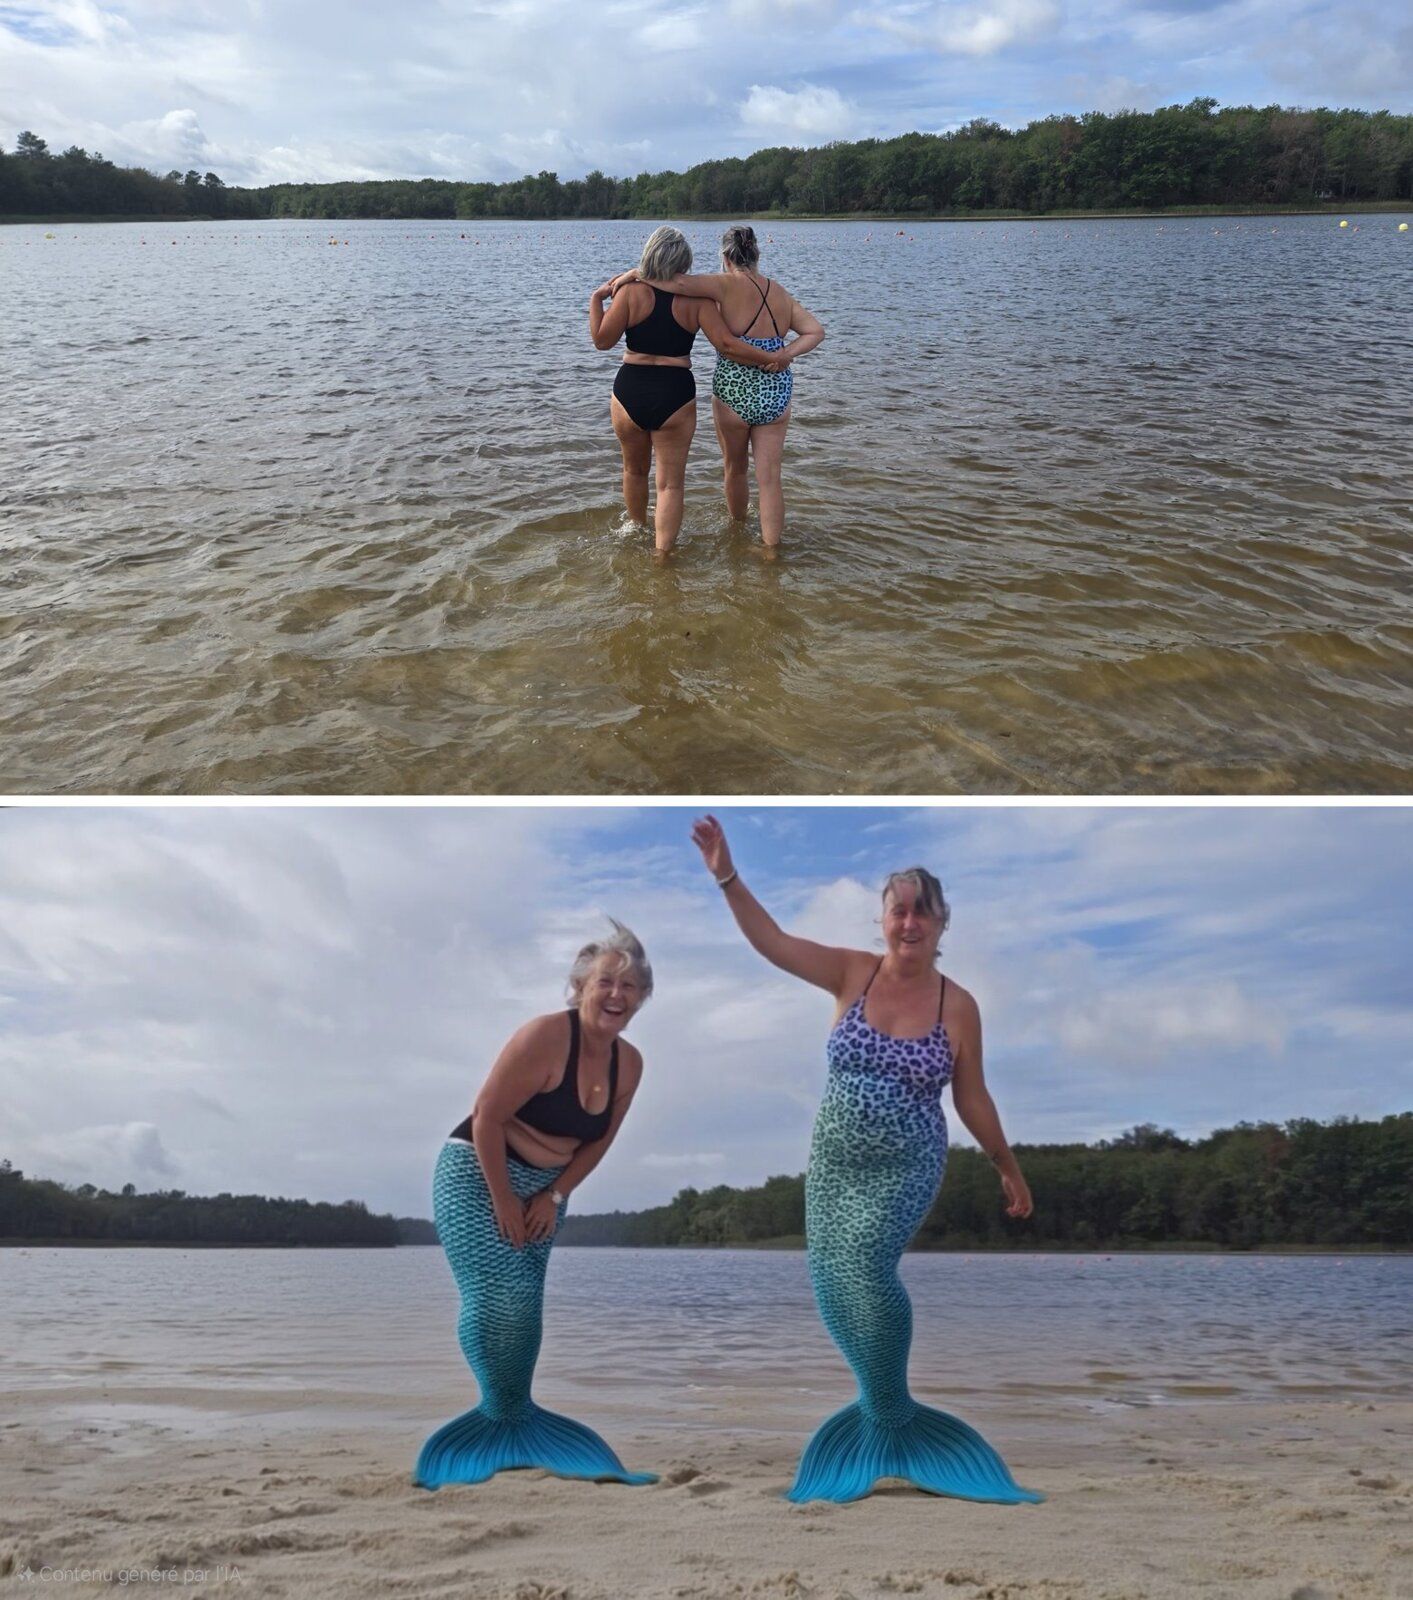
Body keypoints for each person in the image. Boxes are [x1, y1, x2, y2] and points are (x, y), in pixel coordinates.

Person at [689, 815, 1045, 1506]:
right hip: (833, 1164)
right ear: (882, 919)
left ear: (942, 924)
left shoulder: (959, 1006)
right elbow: (773, 943)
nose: (909, 922)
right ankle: (883, 1419)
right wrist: (726, 875)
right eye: (898, 909)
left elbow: (970, 1096)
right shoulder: (850, 972)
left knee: (865, 1266)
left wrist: (1007, 1164)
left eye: (923, 911)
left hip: (906, 1165)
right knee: (828, 1282)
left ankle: (891, 1413)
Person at [414, 922, 657, 1489]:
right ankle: (494, 1415)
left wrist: (554, 1194)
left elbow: (600, 1140)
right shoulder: (546, 1037)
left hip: (549, 1187)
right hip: (478, 1171)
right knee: (498, 1293)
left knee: (527, 1304)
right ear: (580, 986)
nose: (616, 995)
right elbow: (486, 1117)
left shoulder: (631, 1064)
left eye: (629, 986)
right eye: (605, 982)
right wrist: (503, 1196)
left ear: (642, 997)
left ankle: (515, 1418)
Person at [610, 224, 825, 547]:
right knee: (769, 479)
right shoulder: (779, 293)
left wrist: (632, 274)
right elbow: (815, 332)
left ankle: (736, 530)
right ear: (757, 255)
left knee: (735, 469)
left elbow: (673, 279)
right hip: (776, 390)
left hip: (734, 389)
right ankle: (770, 551)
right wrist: (783, 354)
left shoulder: (723, 285)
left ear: (726, 256)